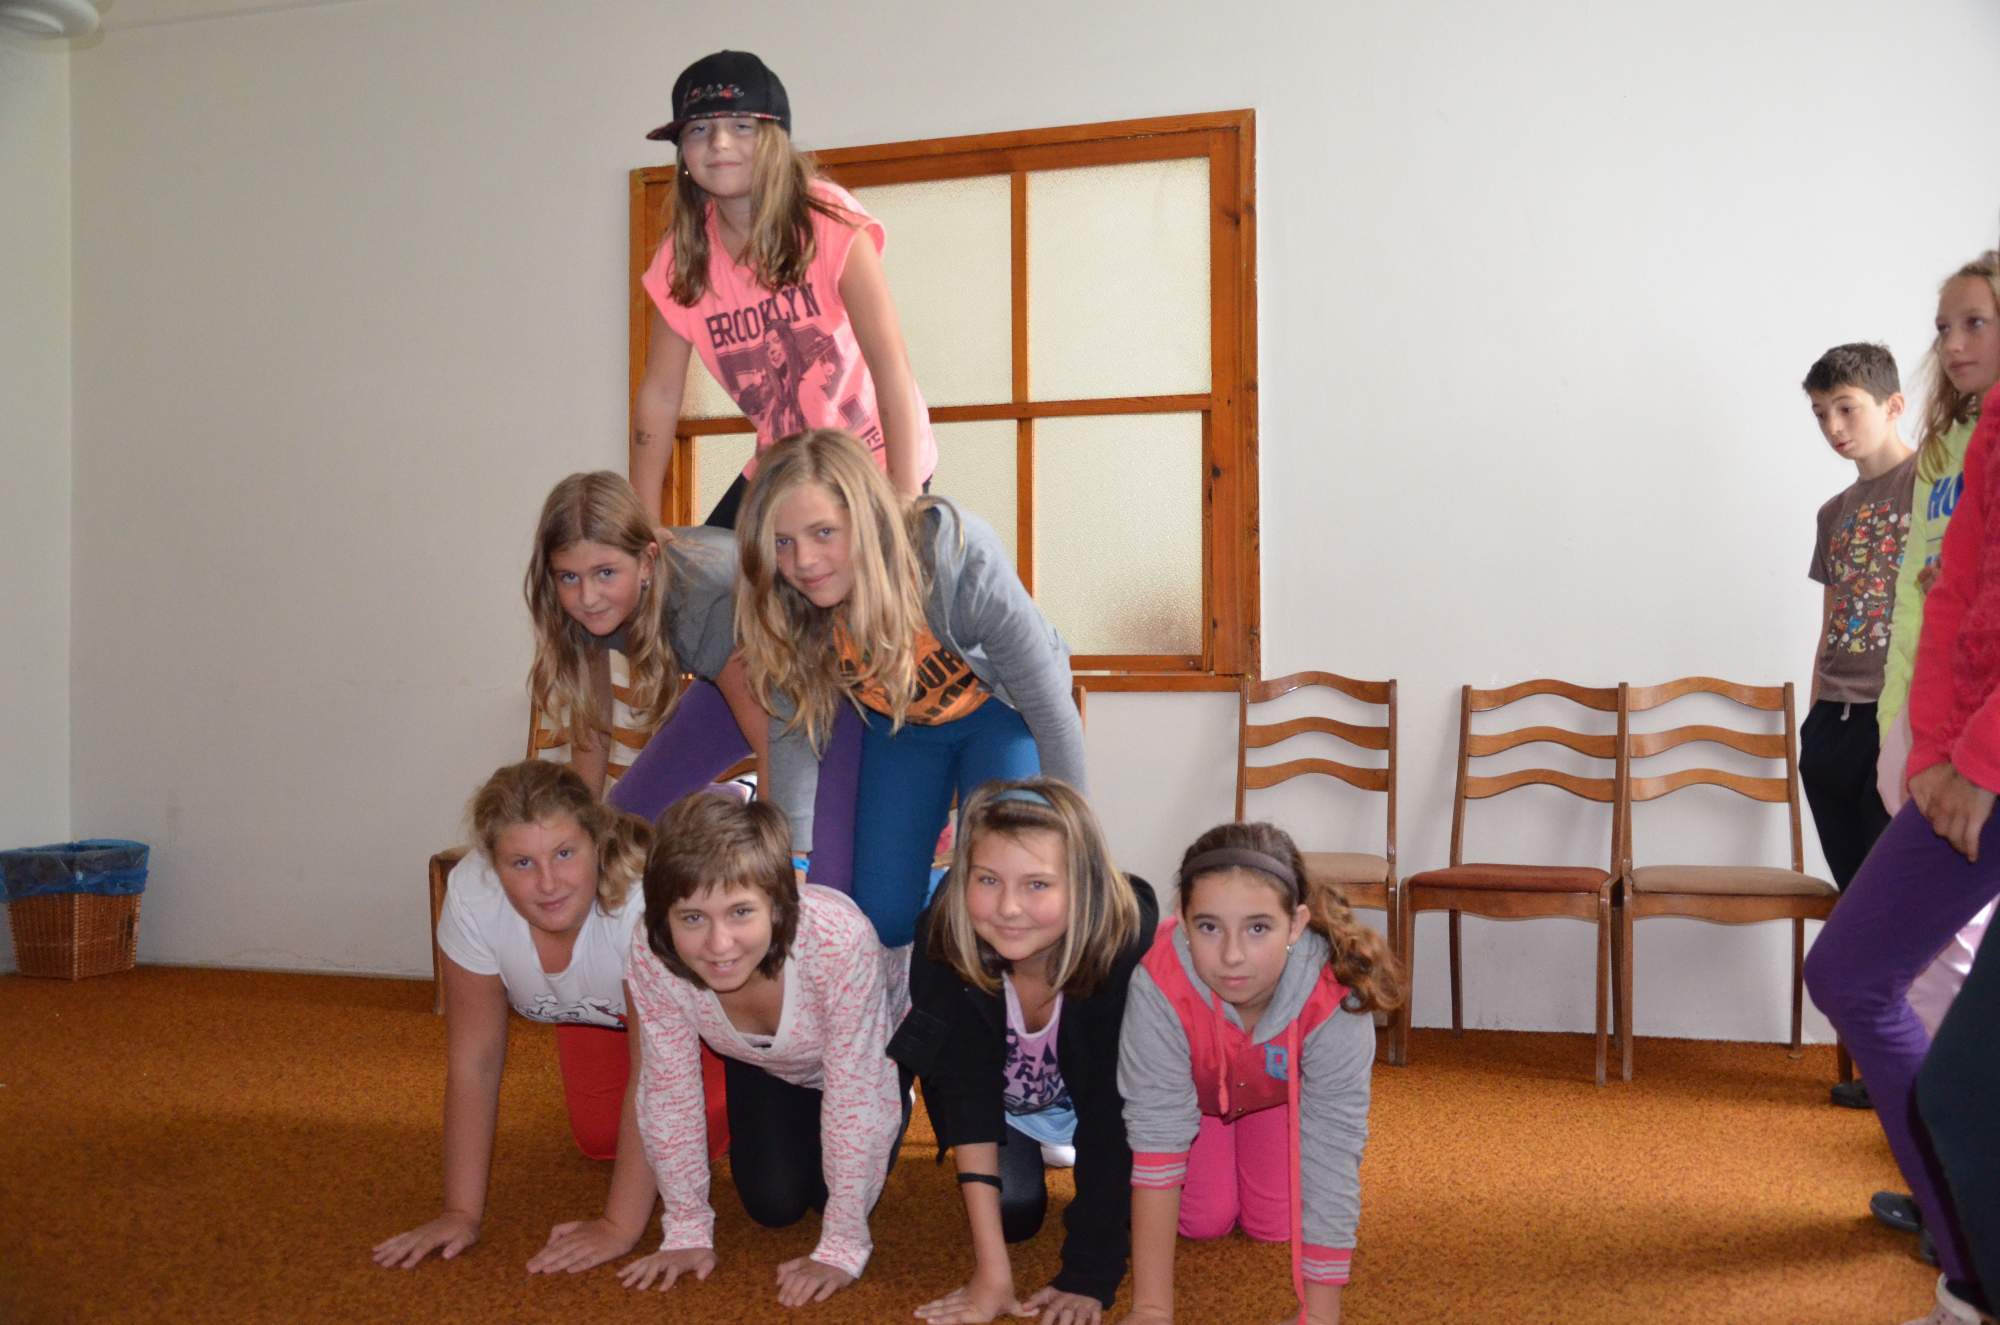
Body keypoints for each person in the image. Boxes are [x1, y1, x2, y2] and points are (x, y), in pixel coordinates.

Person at [1804, 375, 2000, 1325]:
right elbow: (1949, 606)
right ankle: (1967, 1269)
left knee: (1951, 1035)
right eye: (1947, 325)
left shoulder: (1929, 465)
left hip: (1971, 763)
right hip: (1908, 742)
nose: (1958, 346)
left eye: (1978, 321)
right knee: (1867, 972)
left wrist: (1973, 759)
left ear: (1884, 403)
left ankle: (1966, 1258)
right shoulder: (1956, 453)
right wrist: (1928, 749)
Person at [733, 428, 1084, 952]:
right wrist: (791, 860)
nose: (803, 561)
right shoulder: (791, 601)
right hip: (903, 724)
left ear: (867, 520)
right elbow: (794, 732)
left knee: (1009, 885)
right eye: (783, 542)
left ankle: (966, 902)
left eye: (824, 532)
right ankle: (951, 899)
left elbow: (1051, 713)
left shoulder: (957, 559)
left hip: (1001, 713)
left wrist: (1077, 850)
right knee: (886, 919)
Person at [370, 760, 724, 1273]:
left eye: (564, 853)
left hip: (706, 1023)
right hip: (599, 1013)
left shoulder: (639, 904)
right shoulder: (472, 895)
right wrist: (460, 1212)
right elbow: (474, 1060)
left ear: (596, 844)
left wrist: (619, 1226)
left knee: (733, 1162)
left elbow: (658, 1073)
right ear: (493, 866)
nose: (549, 883)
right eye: (521, 863)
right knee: (601, 1141)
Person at [621, 791, 908, 1308]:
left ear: (777, 906)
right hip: (767, 1060)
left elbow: (857, 1098)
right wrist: (685, 1228)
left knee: (834, 1194)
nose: (719, 944)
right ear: (664, 918)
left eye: (740, 912)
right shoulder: (651, 952)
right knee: (774, 1205)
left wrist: (843, 1244)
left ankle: (901, 1097)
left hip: (866, 1056)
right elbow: (667, 1090)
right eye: (692, 918)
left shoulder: (838, 941)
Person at [631, 49, 935, 528]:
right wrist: (641, 524)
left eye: (742, 126)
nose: (719, 143)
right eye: (699, 130)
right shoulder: (683, 256)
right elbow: (661, 394)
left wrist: (906, 496)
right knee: (707, 570)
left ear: (775, 140)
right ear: (683, 153)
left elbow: (889, 365)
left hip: (872, 459)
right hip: (784, 463)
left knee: (832, 567)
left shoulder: (829, 222)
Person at [1118, 822, 1404, 1325]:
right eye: (1209, 927)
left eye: (1257, 928)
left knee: (1274, 1223)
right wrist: (1151, 1310)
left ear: (1295, 924)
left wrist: (1321, 1316)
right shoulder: (1157, 982)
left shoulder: (1335, 994)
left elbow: (1333, 1153)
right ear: (1182, 920)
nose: (1232, 956)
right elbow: (1157, 1134)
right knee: (1202, 1220)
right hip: (1199, 1103)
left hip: (1274, 1099)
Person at [525, 470, 858, 893]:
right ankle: (727, 798)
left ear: (646, 563)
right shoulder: (579, 610)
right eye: (569, 577)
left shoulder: (701, 605)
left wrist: (787, 857)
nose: (588, 596)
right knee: (622, 827)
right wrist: (582, 831)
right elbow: (592, 725)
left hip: (825, 691)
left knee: (818, 885)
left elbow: (777, 740)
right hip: (736, 683)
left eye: (605, 573)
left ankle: (744, 805)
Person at [902, 779, 1155, 1325]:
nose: (1009, 907)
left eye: (1037, 884)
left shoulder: (1124, 947)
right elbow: (967, 1096)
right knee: (1014, 1212)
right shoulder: (945, 937)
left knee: (1148, 1207)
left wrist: (1089, 1274)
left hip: (1097, 1101)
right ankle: (1042, 1146)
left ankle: (1064, 1145)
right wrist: (991, 1275)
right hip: (1006, 1107)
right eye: (987, 880)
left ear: (1082, 886)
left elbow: (1112, 1115)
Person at [1798, 342, 1916, 901]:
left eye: (1847, 408)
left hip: (1895, 715)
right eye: (1821, 413)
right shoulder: (1833, 513)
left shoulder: (1933, 484)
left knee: (1894, 900)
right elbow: (1831, 621)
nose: (1833, 427)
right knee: (1855, 901)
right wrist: (1813, 719)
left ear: (1893, 405)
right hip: (1832, 724)